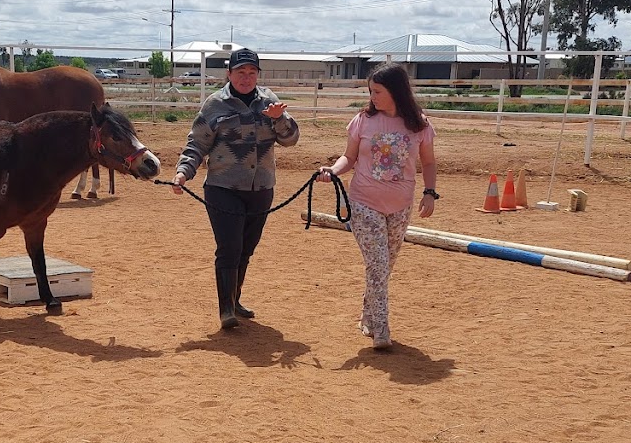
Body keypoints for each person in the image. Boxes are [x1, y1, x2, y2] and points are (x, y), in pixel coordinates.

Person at [172, 47, 299, 329]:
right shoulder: (214, 105)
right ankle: (226, 309)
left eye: (252, 72)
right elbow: (197, 143)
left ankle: (235, 298)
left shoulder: (270, 102)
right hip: (223, 187)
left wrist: (280, 119)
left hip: (261, 188)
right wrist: (183, 172)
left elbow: (290, 140)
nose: (246, 78)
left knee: (246, 248)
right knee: (229, 247)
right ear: (229, 74)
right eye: (240, 72)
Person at [317, 63, 437, 351]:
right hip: (364, 202)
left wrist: (430, 192)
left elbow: (429, 162)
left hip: (400, 206)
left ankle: (368, 315)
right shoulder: (363, 121)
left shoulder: (419, 125)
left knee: (385, 266)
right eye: (370, 91)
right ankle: (381, 328)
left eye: (378, 92)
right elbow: (349, 157)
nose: (372, 97)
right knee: (378, 264)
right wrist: (333, 170)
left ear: (396, 92)